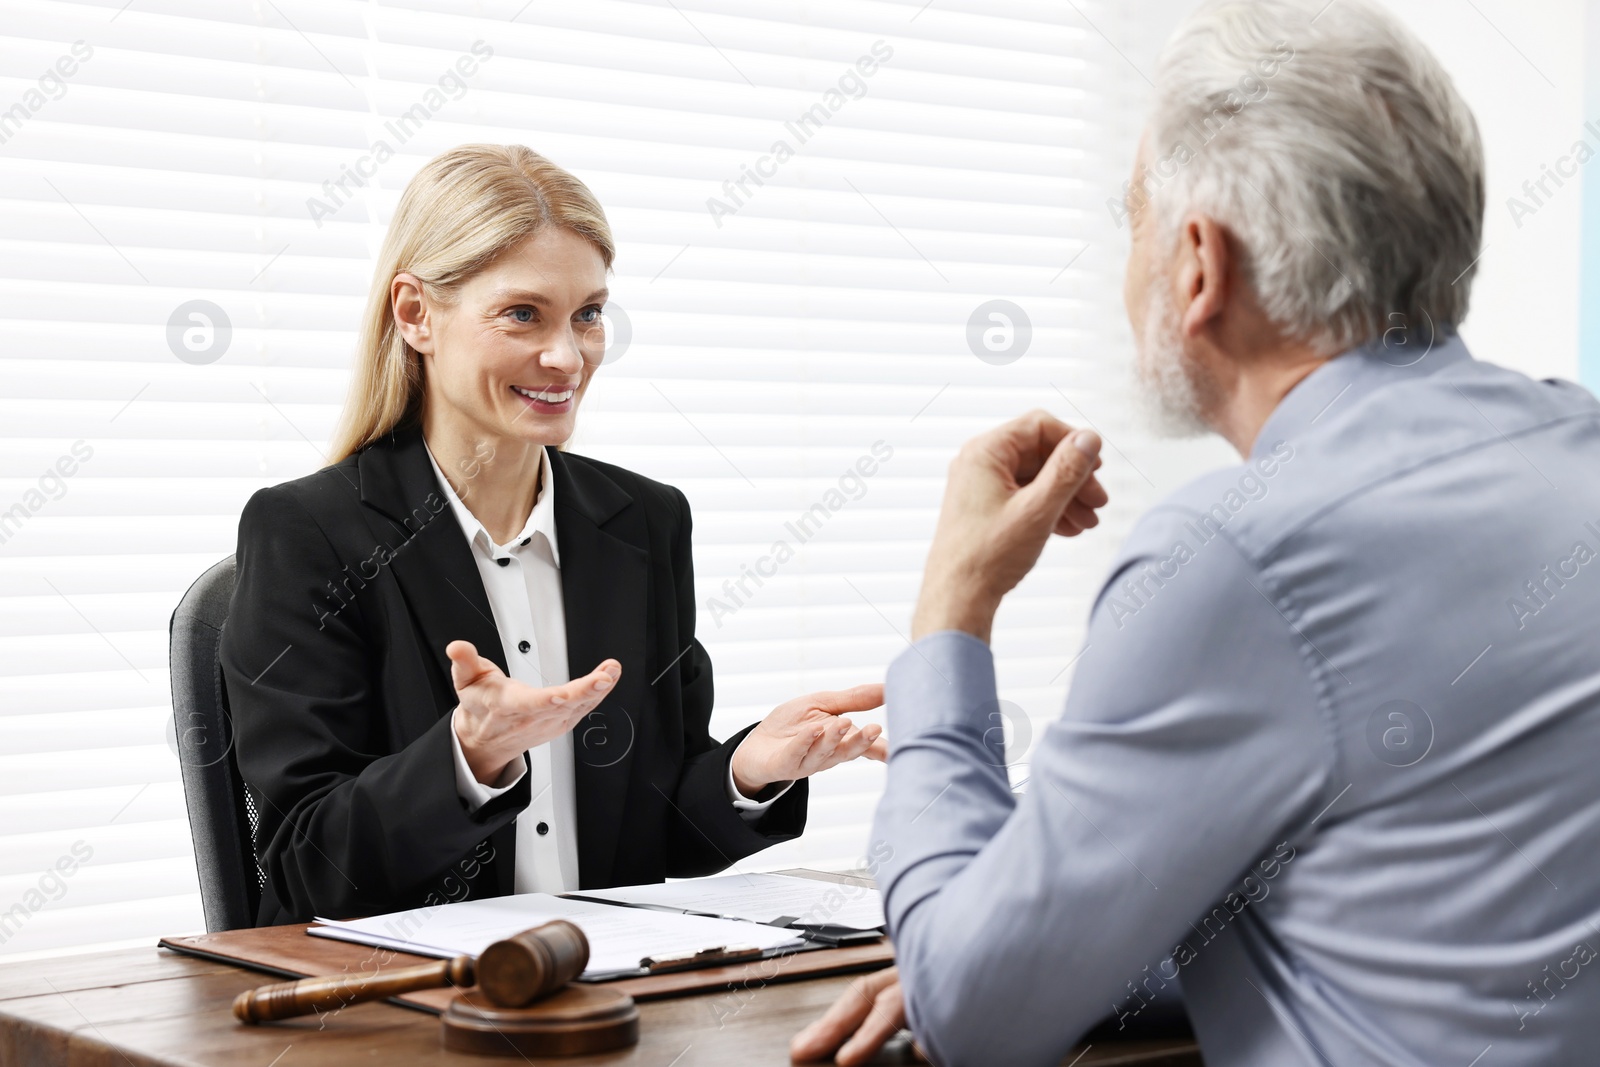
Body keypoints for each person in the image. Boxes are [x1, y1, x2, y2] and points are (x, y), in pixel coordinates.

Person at [794, 1, 1600, 1064]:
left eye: (1130, 219)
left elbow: (977, 1018)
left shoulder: (1241, 551)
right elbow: (1415, 913)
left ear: (1197, 264)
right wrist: (1056, 949)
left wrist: (953, 601)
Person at [222, 145, 886, 926]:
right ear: (415, 315)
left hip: (605, 1000)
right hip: (405, 1012)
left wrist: (748, 769)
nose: (567, 357)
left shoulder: (644, 521)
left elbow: (654, 829)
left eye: (589, 315)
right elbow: (307, 871)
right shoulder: (308, 532)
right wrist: (467, 760)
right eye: (522, 314)